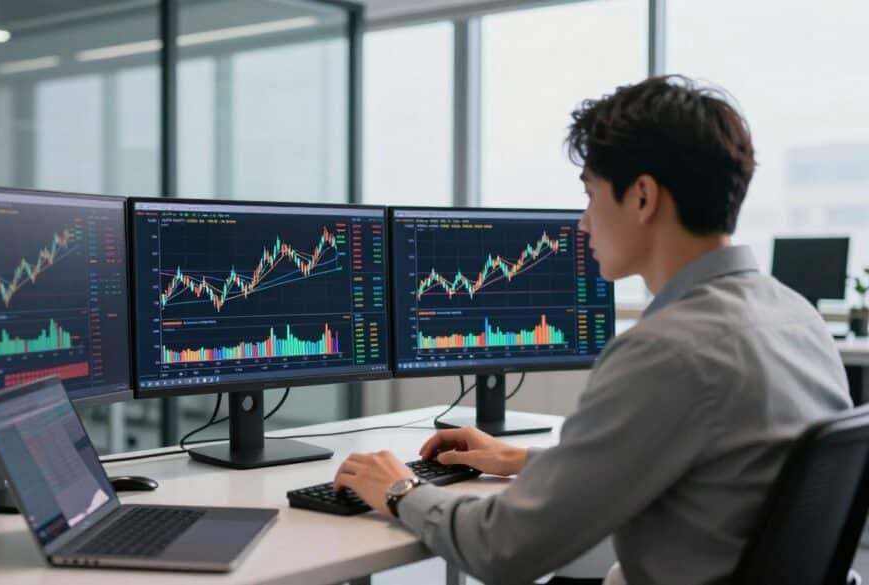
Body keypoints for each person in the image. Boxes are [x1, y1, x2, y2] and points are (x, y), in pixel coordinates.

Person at [332, 75, 852, 585]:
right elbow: (714, 469)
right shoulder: (796, 316)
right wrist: (522, 460)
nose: (583, 223)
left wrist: (399, 489)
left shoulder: (668, 350)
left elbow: (502, 551)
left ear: (643, 197)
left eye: (591, 194)